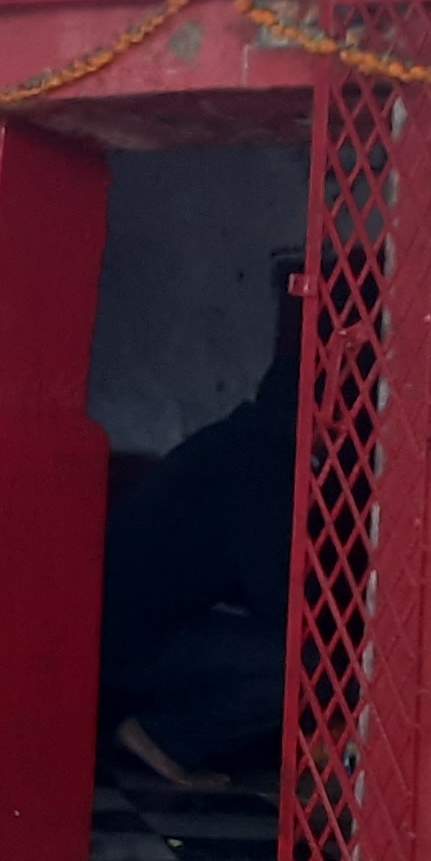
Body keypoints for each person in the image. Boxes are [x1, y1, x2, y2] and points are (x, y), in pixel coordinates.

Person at [100, 259, 302, 795]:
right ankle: (162, 737)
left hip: (124, 632)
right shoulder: (257, 465)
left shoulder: (234, 444)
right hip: (128, 646)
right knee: (300, 658)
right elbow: (282, 596)